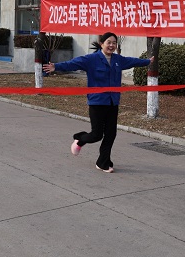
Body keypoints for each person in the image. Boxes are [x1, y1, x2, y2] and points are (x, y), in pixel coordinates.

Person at [44, 32, 150, 172]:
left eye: (114, 43)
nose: (111, 45)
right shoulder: (92, 59)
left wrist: (148, 62)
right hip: (97, 102)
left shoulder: (118, 60)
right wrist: (56, 67)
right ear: (102, 44)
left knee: (111, 134)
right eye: (108, 42)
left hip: (113, 102)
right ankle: (80, 139)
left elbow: (132, 61)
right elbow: (73, 64)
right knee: (96, 135)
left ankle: (103, 162)